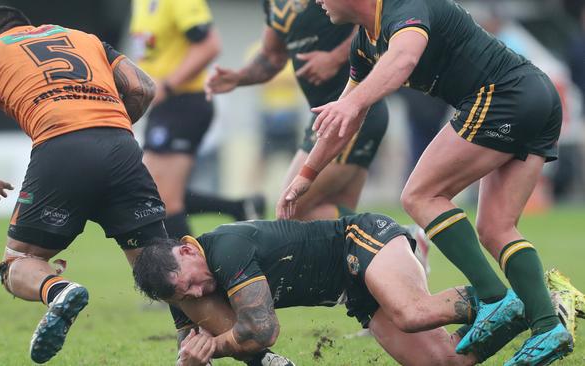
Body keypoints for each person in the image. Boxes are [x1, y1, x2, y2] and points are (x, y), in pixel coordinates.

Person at [276, 0, 573, 364]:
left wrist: (352, 105)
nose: (317, 1)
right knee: (496, 228)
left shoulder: (405, 8)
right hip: (533, 96)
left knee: (420, 194)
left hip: (506, 96)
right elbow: (346, 117)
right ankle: (548, 328)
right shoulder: (363, 44)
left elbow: (403, 61)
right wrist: (307, 174)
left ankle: (495, 300)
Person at [0, 6, 168, 363]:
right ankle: (244, 346)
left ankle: (58, 289)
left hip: (62, 148)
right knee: (159, 265)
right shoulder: (85, 39)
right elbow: (142, 87)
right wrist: (110, 128)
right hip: (121, 145)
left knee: (18, 262)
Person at [133, 213, 531, 366]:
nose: (199, 294)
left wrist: (215, 348)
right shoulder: (184, 291)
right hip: (353, 291)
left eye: (192, 284)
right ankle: (533, 315)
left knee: (413, 314)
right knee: (445, 363)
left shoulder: (225, 249)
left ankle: (535, 293)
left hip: (360, 240)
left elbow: (262, 331)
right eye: (184, 297)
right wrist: (190, 361)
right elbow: (190, 349)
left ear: (187, 249)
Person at [206, 0, 388, 220]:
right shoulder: (272, 4)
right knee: (332, 227)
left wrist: (336, 57)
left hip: (354, 112)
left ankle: (388, 234)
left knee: (289, 211)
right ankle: (389, 238)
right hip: (324, 118)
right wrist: (238, 78)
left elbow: (372, 20)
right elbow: (272, 57)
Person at [129, 0, 264, 238]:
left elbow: (209, 46)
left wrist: (167, 85)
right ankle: (239, 207)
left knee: (162, 199)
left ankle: (185, 270)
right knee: (152, 192)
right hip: (163, 106)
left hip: (183, 102)